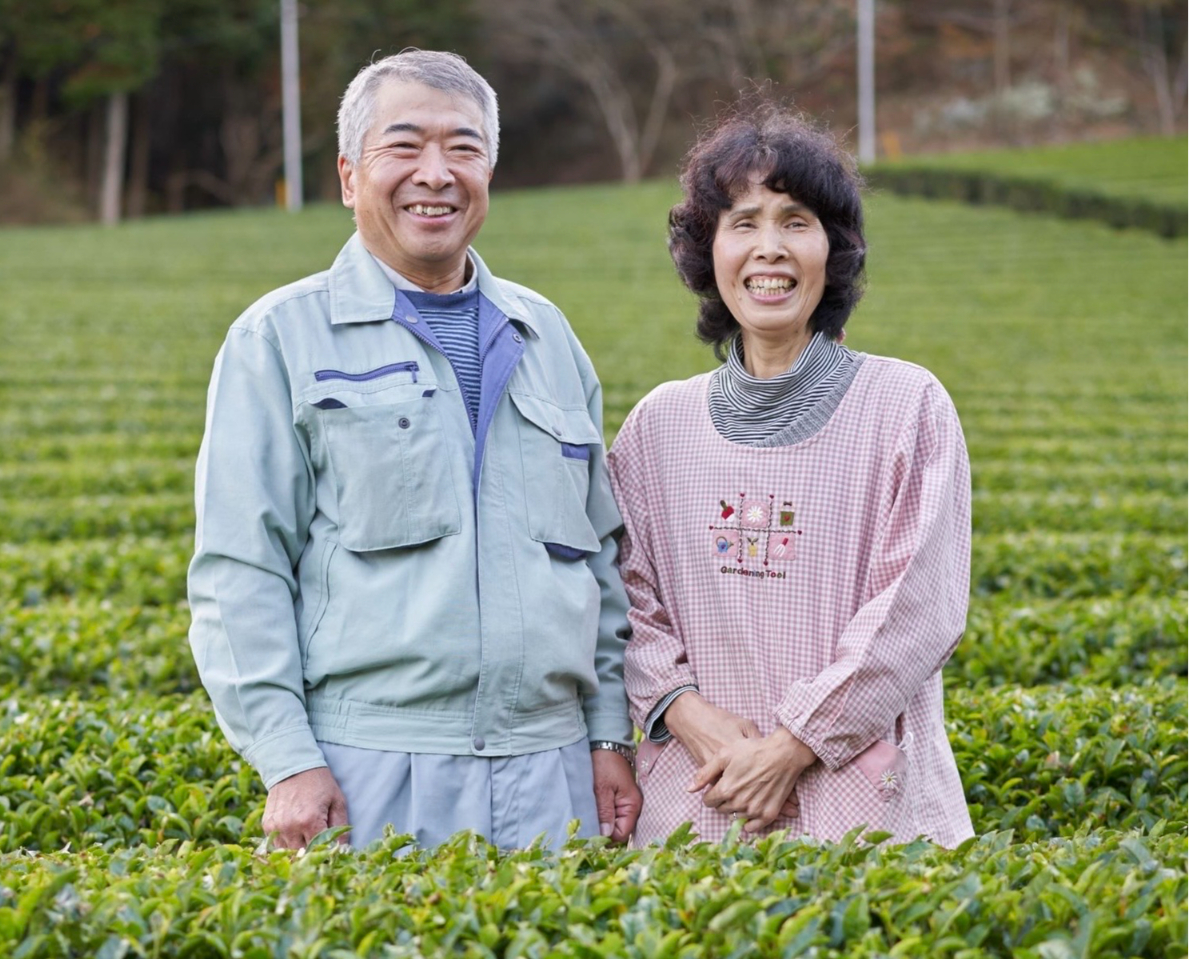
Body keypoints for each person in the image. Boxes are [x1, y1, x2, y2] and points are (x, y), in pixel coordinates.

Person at [188, 49, 640, 851]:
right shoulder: (280, 337)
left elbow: (599, 557)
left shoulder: (547, 335)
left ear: (489, 172)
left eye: (463, 148)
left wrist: (607, 735)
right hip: (368, 769)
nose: (435, 173)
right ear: (348, 176)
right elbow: (240, 568)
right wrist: (287, 760)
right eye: (404, 146)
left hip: (553, 767)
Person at [607, 103, 974, 848]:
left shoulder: (907, 406)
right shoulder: (657, 426)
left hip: (867, 811)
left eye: (796, 221)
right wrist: (687, 712)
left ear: (833, 250)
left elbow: (917, 610)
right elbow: (622, 596)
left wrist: (792, 745)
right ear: (707, 250)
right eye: (742, 222)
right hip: (699, 804)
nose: (768, 249)